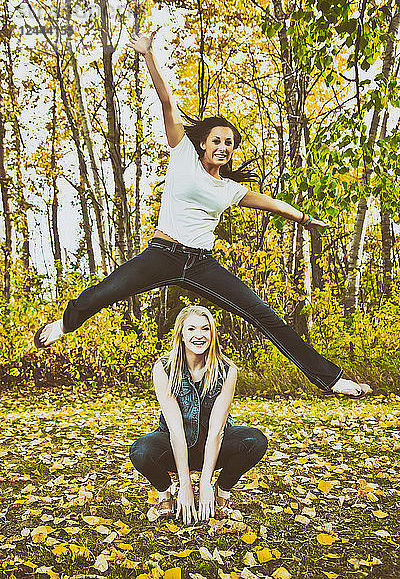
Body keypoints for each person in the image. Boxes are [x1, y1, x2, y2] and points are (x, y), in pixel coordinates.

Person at [34, 30, 370, 399]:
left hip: (200, 263)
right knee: (107, 291)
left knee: (263, 314)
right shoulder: (182, 155)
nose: (224, 147)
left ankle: (330, 378)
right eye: (217, 140)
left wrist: (304, 219)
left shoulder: (228, 189)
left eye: (229, 143)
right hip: (162, 255)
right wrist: (148, 55)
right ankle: (66, 323)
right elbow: (166, 103)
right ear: (202, 142)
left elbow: (271, 202)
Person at [130, 305, 268, 523]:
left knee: (255, 440)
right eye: (192, 329)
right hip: (175, 445)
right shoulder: (163, 368)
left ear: (212, 334)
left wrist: (205, 482)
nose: (199, 335)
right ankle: (165, 494)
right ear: (181, 335)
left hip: (213, 446)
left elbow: (217, 431)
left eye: (205, 329)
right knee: (141, 451)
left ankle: (221, 494)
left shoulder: (227, 370)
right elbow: (175, 431)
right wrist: (185, 484)